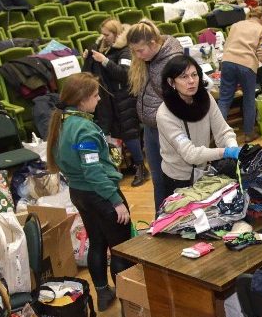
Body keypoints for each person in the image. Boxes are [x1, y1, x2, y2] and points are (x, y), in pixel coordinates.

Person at [46, 72, 132, 311]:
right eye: (95, 96)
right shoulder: (84, 130)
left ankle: (104, 295)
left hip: (79, 193)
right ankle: (129, 304)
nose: (99, 100)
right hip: (100, 195)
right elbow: (94, 172)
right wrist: (116, 200)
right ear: (82, 100)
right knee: (120, 250)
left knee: (97, 242)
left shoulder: (62, 121)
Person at [156, 55, 240, 197]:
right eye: (183, 77)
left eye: (194, 75)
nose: (191, 81)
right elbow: (190, 154)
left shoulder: (205, 98)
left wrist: (232, 146)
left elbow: (223, 131)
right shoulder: (165, 114)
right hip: (178, 178)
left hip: (202, 171)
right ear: (171, 82)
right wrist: (224, 152)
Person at [128, 20, 187, 213]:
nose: (137, 55)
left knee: (172, 179)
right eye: (134, 51)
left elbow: (182, 99)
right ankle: (160, 220)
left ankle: (175, 218)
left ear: (154, 43)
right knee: (158, 179)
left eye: (140, 50)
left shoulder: (172, 60)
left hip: (167, 129)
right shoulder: (149, 58)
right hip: (150, 127)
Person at [83, 18, 148, 187]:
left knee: (130, 133)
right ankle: (114, 168)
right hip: (106, 101)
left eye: (107, 34)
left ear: (116, 33)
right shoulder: (99, 47)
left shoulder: (125, 51)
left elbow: (124, 74)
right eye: (102, 34)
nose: (104, 37)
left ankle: (140, 167)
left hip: (123, 99)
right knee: (110, 134)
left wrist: (103, 61)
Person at [217, 6, 262, 144]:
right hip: (246, 65)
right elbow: (261, 55)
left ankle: (219, 134)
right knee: (248, 99)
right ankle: (249, 134)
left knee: (224, 99)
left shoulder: (236, 25)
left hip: (227, 62)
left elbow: (227, 44)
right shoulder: (261, 30)